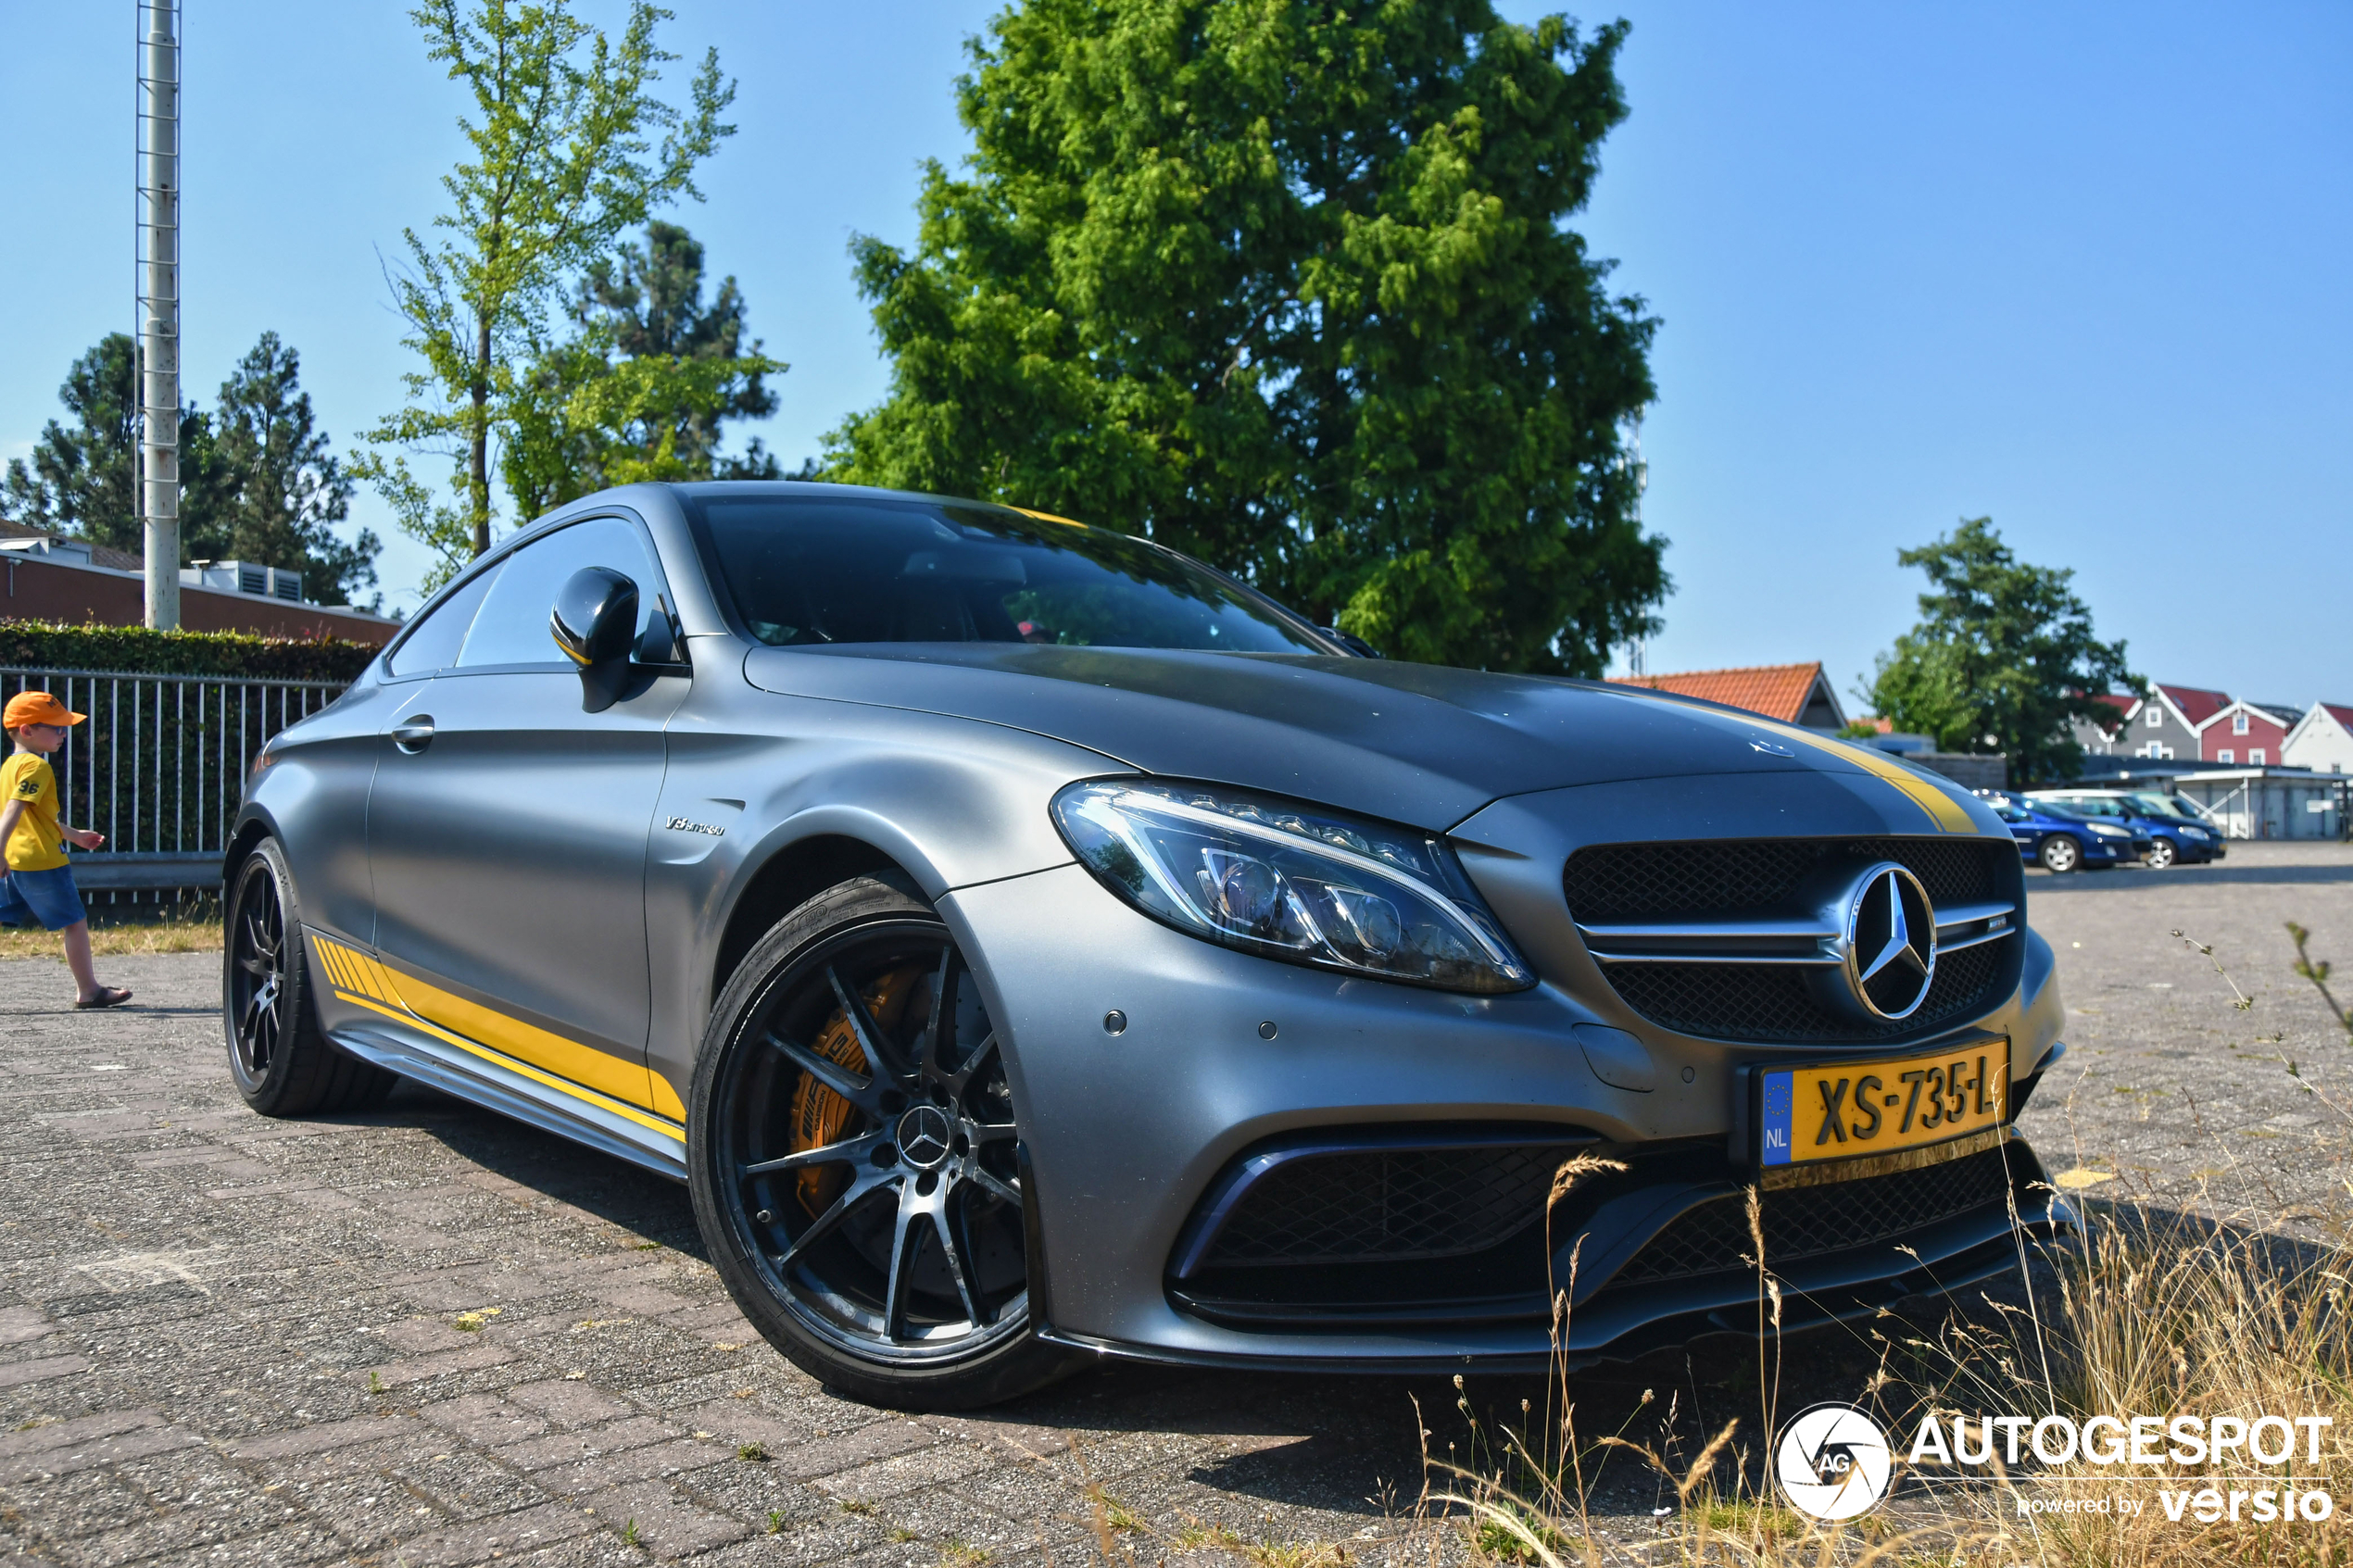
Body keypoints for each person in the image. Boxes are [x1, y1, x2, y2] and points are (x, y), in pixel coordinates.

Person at [0, 691, 132, 1009]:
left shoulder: (9, 767)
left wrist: (74, 836)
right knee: (74, 921)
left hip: (15, 862)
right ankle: (89, 991)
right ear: (28, 730)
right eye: (56, 728)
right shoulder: (37, 767)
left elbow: (37, 817)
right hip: (42, 862)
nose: (64, 734)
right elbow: (14, 810)